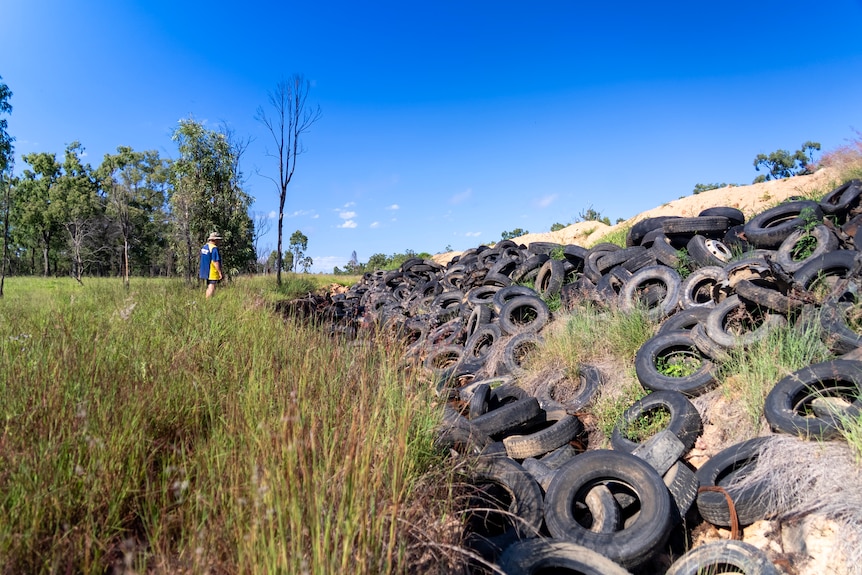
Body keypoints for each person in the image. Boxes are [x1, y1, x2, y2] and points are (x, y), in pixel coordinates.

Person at [199, 232, 223, 298]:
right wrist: (219, 272)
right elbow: (215, 261)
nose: (219, 242)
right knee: (212, 286)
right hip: (212, 271)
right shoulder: (214, 248)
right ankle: (208, 300)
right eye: (218, 240)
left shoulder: (204, 247)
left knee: (209, 285)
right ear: (214, 240)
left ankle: (208, 299)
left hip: (205, 270)